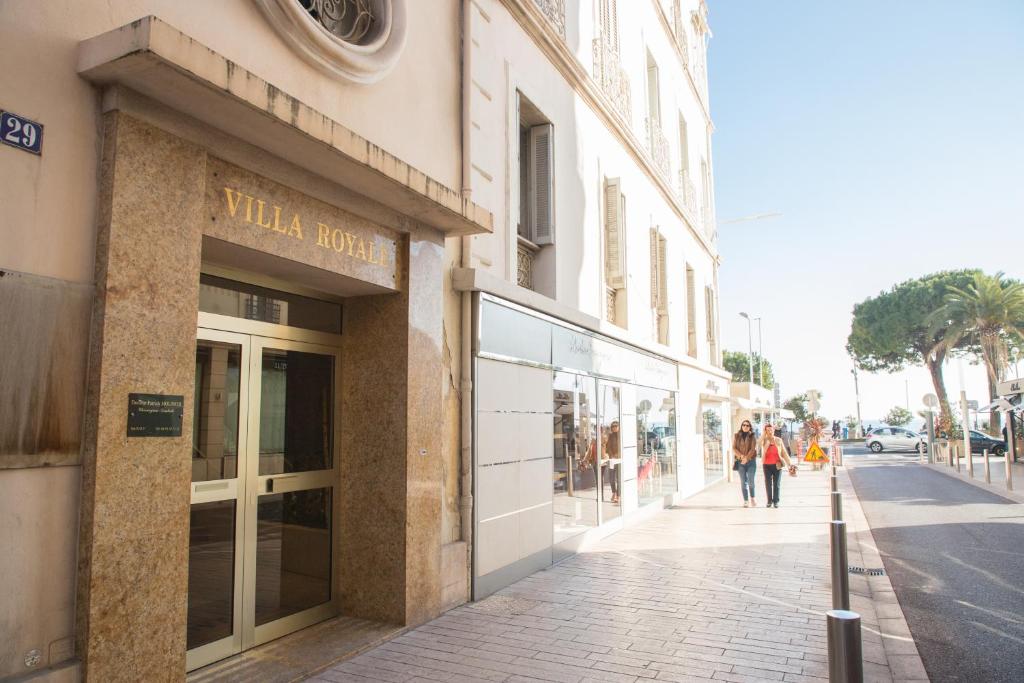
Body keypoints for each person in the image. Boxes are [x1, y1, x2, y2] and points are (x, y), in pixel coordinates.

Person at [759, 423, 795, 508]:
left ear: (774, 430)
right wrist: (764, 434)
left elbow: (784, 453)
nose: (770, 431)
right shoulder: (764, 440)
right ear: (765, 431)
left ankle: (776, 501)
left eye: (771, 429)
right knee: (768, 484)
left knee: (776, 484)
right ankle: (769, 501)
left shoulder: (778, 440)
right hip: (766, 465)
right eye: (767, 430)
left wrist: (790, 464)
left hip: (777, 465)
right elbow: (758, 443)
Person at [732, 419, 758, 507]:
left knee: (751, 481)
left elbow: (753, 449)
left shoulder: (753, 436)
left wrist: (746, 458)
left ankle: (753, 498)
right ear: (741, 426)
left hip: (751, 462)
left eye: (747, 425)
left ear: (750, 427)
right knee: (743, 482)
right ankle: (746, 501)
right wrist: (741, 456)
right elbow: (734, 448)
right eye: (744, 425)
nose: (745, 427)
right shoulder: (736, 436)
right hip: (740, 462)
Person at [602, 420, 621, 504]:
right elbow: (607, 447)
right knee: (611, 478)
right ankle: (614, 492)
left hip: (620, 460)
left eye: (616, 426)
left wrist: (617, 454)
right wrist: (611, 455)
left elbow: (622, 447)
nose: (614, 427)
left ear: (619, 427)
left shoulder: (621, 436)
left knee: (618, 478)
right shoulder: (610, 436)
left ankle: (618, 495)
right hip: (611, 459)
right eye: (613, 426)